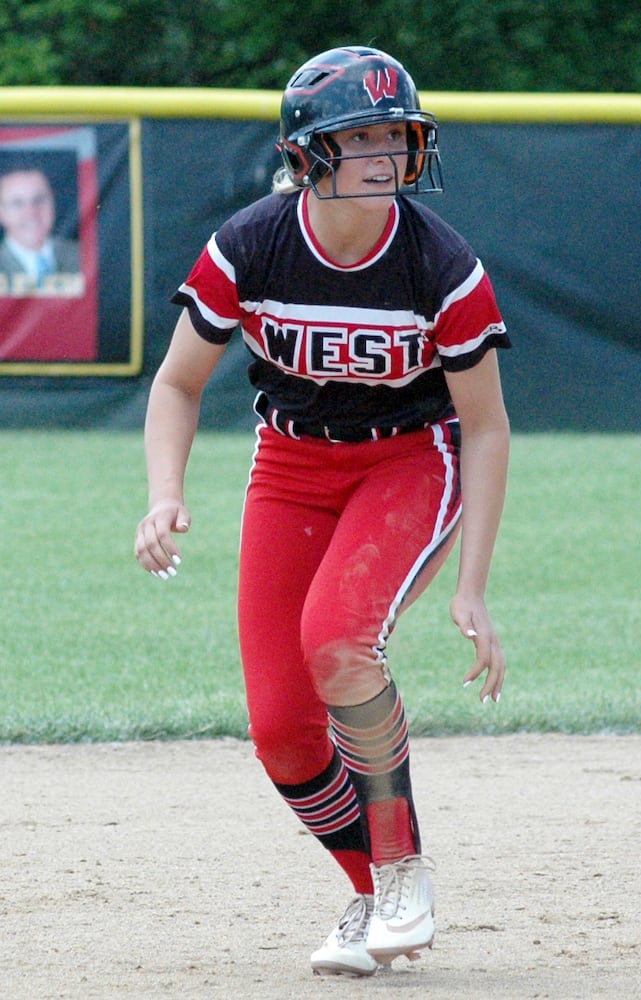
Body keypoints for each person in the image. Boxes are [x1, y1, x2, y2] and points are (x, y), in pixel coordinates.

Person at [133, 46, 511, 977]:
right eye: (360, 134)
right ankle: (369, 889)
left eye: (396, 132)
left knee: (338, 641)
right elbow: (178, 383)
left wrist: (473, 585)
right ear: (309, 153)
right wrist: (165, 493)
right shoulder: (253, 242)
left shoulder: (440, 264)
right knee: (279, 725)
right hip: (291, 467)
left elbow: (488, 427)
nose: (386, 152)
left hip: (407, 465)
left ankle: (402, 872)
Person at [0, 164, 81, 293]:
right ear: (1, 212)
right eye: (18, 203)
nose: (32, 212)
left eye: (39, 200)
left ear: (53, 204)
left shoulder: (83, 256)